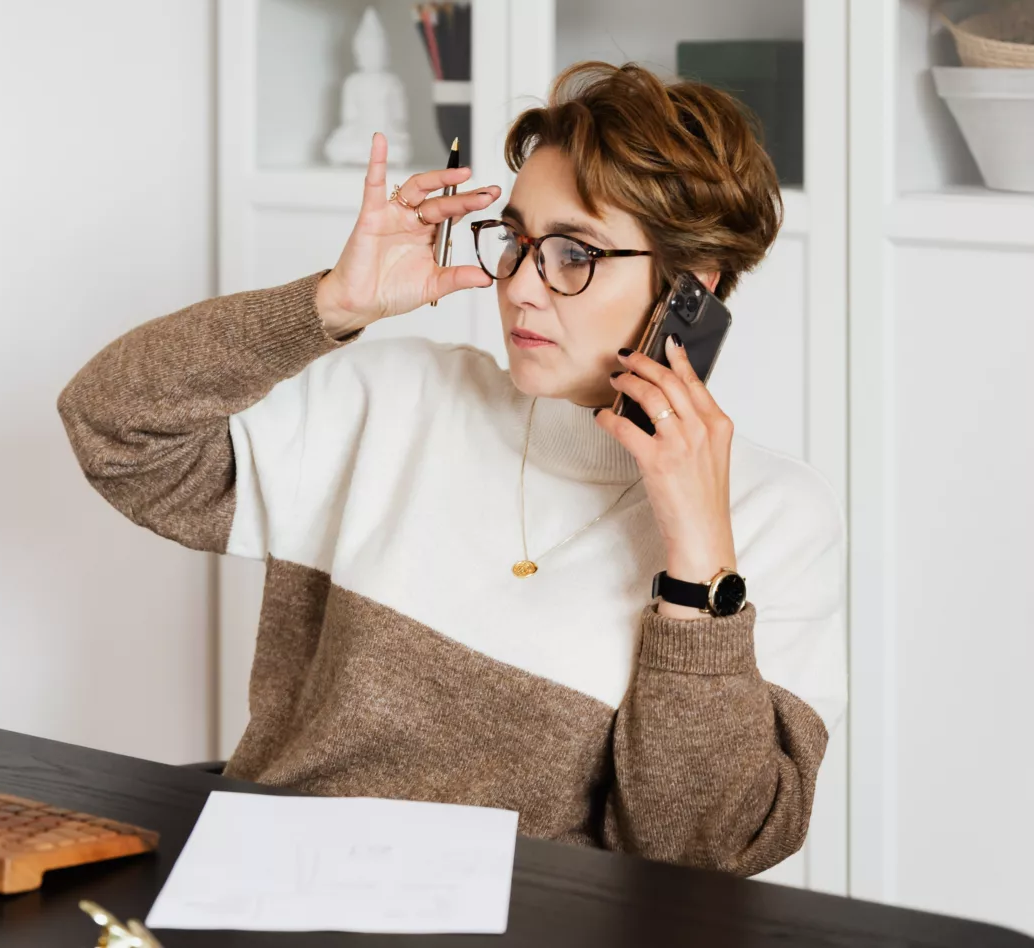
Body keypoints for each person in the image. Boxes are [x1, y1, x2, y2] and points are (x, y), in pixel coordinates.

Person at [57, 62, 846, 876]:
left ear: (692, 289)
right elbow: (113, 428)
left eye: (573, 253)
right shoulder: (396, 396)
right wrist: (327, 306)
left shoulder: (773, 517)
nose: (521, 289)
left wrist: (696, 569)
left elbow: (704, 851)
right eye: (517, 241)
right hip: (267, 902)